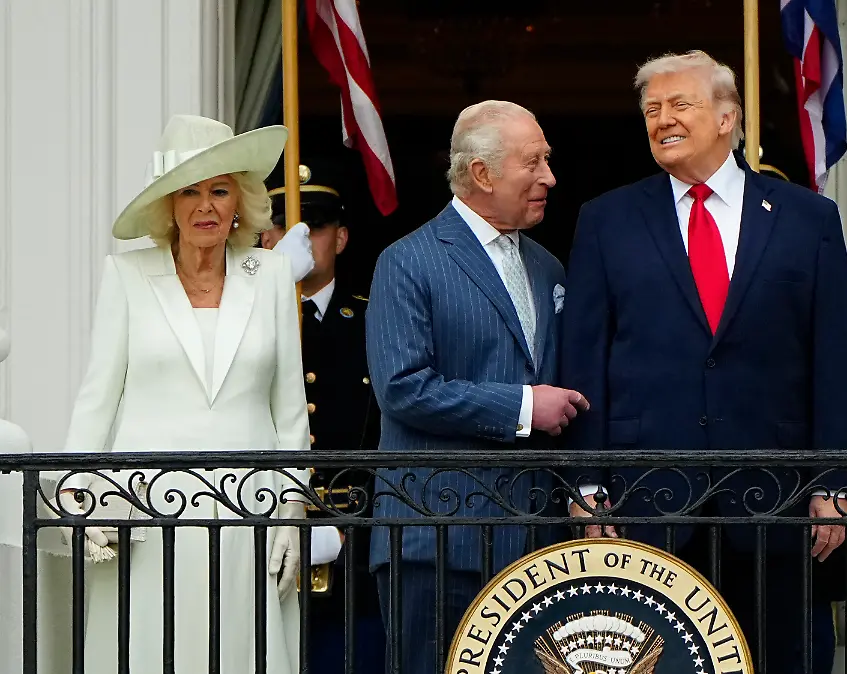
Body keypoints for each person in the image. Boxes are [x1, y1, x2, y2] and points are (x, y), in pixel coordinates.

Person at [560, 50, 847, 674]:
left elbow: (834, 354)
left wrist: (836, 482)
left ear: (729, 118)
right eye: (651, 110)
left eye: (679, 105)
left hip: (775, 499)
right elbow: (584, 356)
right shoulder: (607, 219)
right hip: (648, 500)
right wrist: (587, 485)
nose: (662, 120)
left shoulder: (809, 218)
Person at [58, 115, 309, 673]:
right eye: (189, 191)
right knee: (146, 651)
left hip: (250, 508)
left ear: (239, 200)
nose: (206, 206)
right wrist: (82, 495)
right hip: (142, 508)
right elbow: (97, 398)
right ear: (167, 205)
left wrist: (292, 509)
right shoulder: (125, 276)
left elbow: (289, 409)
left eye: (219, 190)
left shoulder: (268, 274)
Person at [365, 100, 585, 673]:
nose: (549, 177)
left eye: (548, 159)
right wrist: (521, 406)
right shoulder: (406, 261)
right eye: (532, 161)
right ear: (482, 174)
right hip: (436, 537)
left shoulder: (548, 267)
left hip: (535, 543)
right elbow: (402, 387)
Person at [263, 159, 384, 671]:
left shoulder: (375, 319)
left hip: (351, 542)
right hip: (260, 533)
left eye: (313, 226)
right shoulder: (242, 322)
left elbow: (389, 433)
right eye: (282, 226)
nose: (298, 237)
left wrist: (348, 528)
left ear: (340, 237)